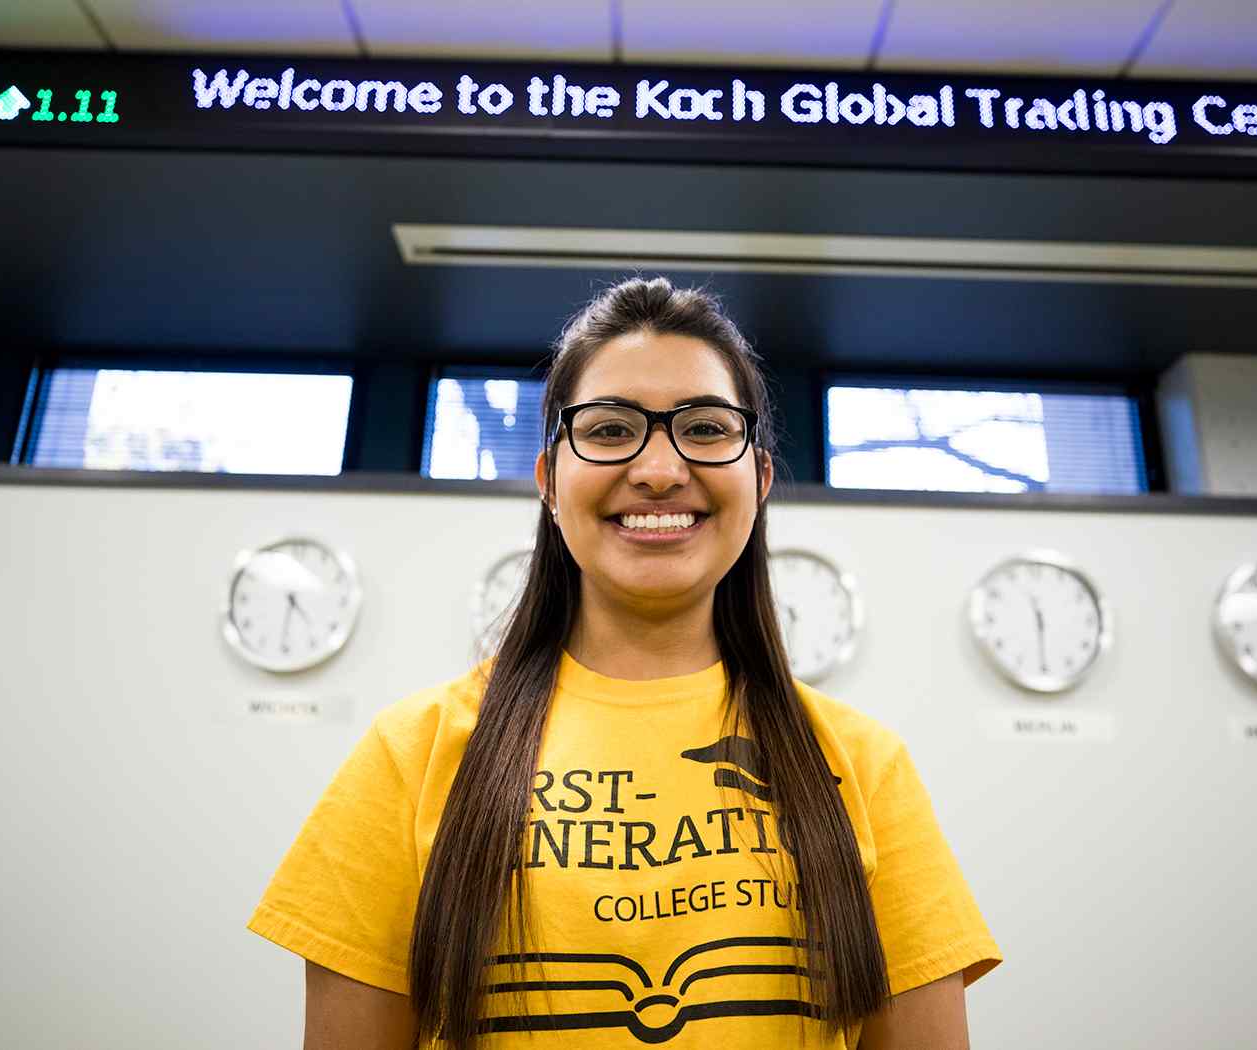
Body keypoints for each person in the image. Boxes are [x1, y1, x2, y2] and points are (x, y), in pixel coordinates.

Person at [247, 277, 1002, 1049]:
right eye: (610, 430)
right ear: (548, 481)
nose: (659, 469)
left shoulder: (865, 766)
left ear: (761, 480)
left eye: (706, 428)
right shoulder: (408, 755)